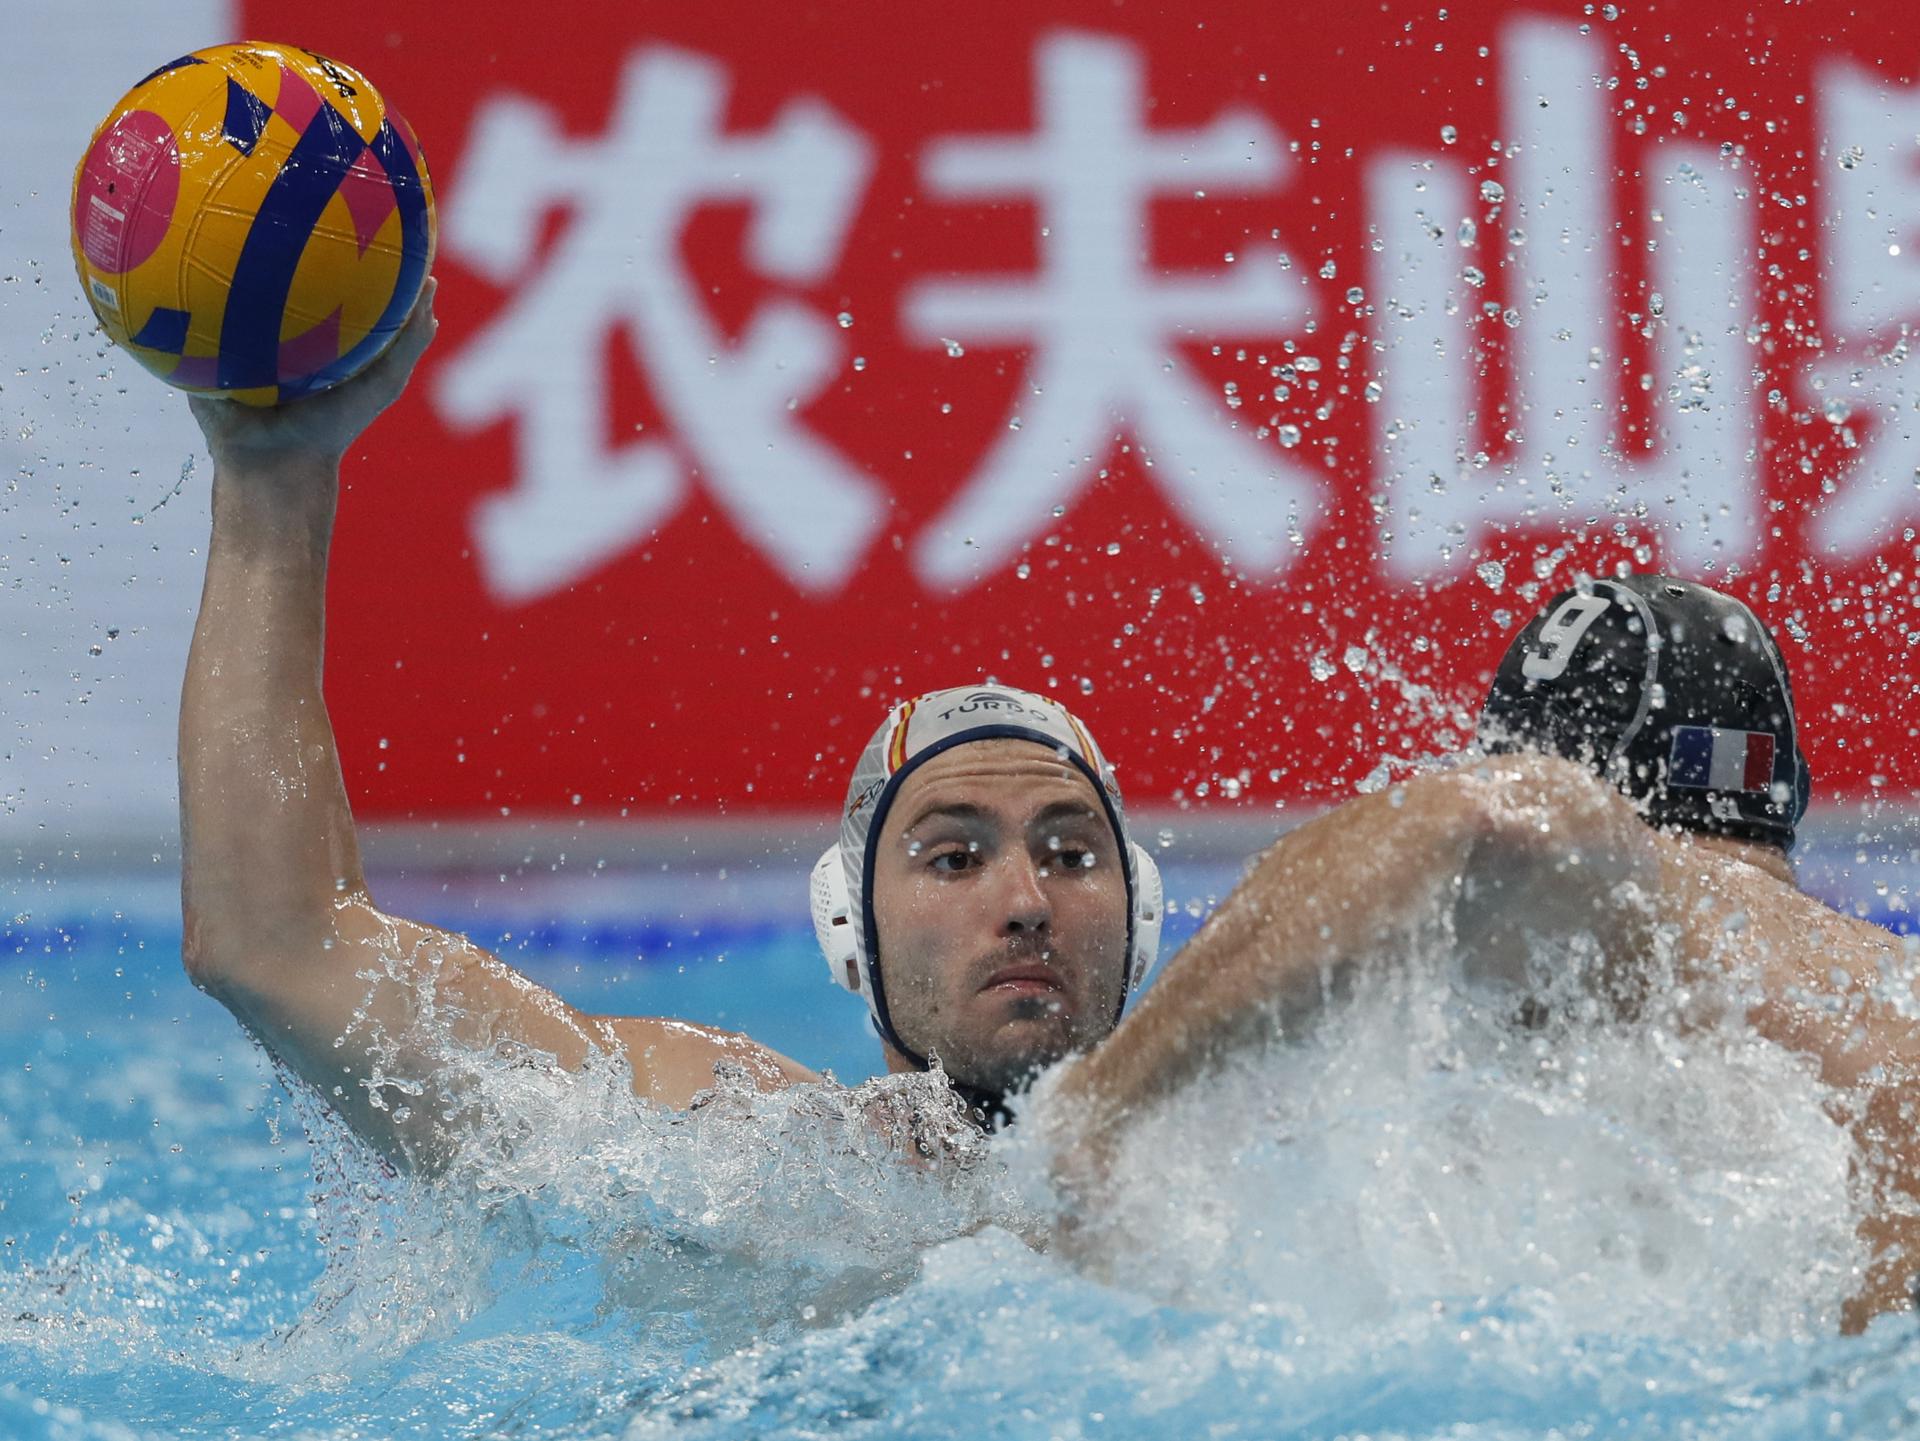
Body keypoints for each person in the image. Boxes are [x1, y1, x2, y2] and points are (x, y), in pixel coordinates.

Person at [179, 279, 1162, 1167]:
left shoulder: (1236, 1176)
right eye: (953, 858)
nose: (1029, 898)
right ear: (849, 926)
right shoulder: (736, 1155)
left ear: (1143, 921)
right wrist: (275, 490)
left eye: (1074, 855)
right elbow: (273, 944)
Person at [1054, 574, 1920, 1329]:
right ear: (1784, 792)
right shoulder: (1893, 986)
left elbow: (1485, 820)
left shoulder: (1626, 896)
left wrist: (1093, 1106)